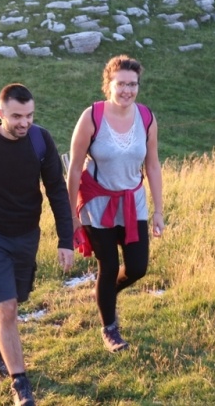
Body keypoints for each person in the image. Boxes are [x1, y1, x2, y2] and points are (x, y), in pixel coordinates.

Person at [0, 83, 74, 406]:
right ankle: (20, 384)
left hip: (26, 235)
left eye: (29, 115)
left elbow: (57, 191)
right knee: (6, 306)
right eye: (17, 116)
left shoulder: (40, 140)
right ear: (0, 113)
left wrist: (66, 239)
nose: (25, 122)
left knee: (12, 300)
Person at [67, 55, 164, 353]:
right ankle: (109, 328)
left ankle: (105, 295)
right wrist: (71, 216)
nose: (127, 90)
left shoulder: (146, 117)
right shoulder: (92, 116)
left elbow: (152, 165)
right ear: (108, 84)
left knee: (137, 268)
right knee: (108, 266)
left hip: (133, 202)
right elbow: (74, 167)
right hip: (97, 204)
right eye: (121, 84)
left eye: (132, 84)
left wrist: (159, 210)